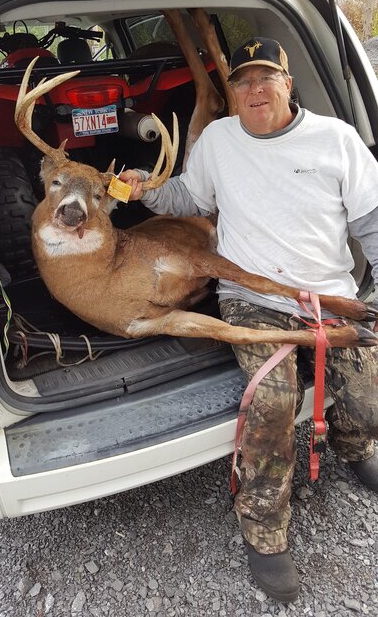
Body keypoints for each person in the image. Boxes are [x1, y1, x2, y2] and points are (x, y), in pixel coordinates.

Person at [120, 37, 378, 603]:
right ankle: (264, 529)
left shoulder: (336, 139)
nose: (254, 90)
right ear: (232, 91)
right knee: (274, 400)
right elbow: (190, 198)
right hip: (251, 295)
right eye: (242, 81)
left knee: (369, 398)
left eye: (266, 78)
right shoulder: (218, 139)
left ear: (288, 83)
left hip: (329, 297)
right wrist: (148, 189)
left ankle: (355, 444)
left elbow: (372, 222)